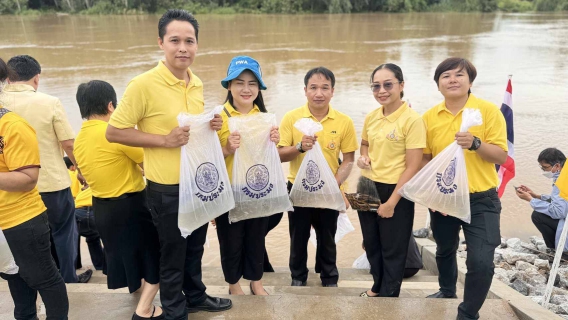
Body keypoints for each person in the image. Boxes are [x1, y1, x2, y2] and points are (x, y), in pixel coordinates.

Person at [105, 9, 231, 319]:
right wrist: (164, 140)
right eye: (175, 40)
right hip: (167, 189)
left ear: (197, 45)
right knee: (173, 253)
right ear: (161, 42)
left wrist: (209, 125)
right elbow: (114, 131)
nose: (183, 48)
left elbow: (190, 132)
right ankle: (175, 310)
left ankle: (196, 295)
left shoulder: (197, 82)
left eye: (189, 41)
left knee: (195, 247)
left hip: (197, 183)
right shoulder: (142, 84)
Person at [422, 58, 508, 320]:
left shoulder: (488, 111)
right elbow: (426, 159)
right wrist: (432, 196)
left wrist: (476, 143)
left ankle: (467, 314)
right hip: (445, 198)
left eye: (459, 75)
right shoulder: (429, 117)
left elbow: (501, 157)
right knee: (445, 247)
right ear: (438, 85)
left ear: (470, 81)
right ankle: (447, 289)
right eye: (445, 76)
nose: (453, 80)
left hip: (482, 199)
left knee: (481, 262)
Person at [74, 80, 163, 319]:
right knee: (154, 255)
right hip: (130, 206)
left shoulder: (79, 138)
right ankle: (144, 309)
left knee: (128, 257)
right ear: (111, 106)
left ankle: (139, 295)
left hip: (102, 207)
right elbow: (151, 165)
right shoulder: (114, 133)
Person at [2, 55, 91, 284]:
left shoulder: (2, 103)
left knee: (27, 238)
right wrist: (81, 171)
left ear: (9, 77)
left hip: (12, 188)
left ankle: (32, 279)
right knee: (63, 233)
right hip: (52, 184)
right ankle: (67, 279)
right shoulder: (49, 102)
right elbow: (68, 143)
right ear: (37, 78)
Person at [0, 57, 69, 320]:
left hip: (21, 218)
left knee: (44, 277)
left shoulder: (12, 125)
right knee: (14, 278)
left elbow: (28, 178)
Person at [278, 67, 358, 287]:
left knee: (327, 237)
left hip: (329, 189)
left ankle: (329, 277)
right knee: (298, 237)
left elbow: (349, 159)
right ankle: (298, 277)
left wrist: (336, 185)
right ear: (305, 91)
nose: (319, 93)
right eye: (313, 87)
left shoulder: (344, 121)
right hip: (298, 189)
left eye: (325, 88)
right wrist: (300, 147)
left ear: (332, 91)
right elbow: (279, 154)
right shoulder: (292, 118)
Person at [356, 63, 426, 297]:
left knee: (393, 247)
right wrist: (363, 158)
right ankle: (377, 285)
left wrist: (392, 202)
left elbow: (413, 165)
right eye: (376, 86)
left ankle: (389, 293)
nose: (381, 91)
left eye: (388, 84)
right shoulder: (372, 116)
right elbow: (365, 144)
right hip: (367, 184)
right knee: (371, 242)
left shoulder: (412, 120)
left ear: (401, 85)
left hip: (396, 189)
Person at [216, 55, 279, 296]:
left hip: (257, 189)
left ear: (259, 88)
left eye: (252, 83)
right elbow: (206, 162)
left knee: (256, 239)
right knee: (230, 241)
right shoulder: (217, 118)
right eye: (239, 82)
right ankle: (234, 285)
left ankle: (256, 282)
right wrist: (227, 149)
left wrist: (274, 141)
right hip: (228, 191)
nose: (246, 89)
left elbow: (268, 158)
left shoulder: (265, 118)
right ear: (228, 85)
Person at [516, 148, 568, 252]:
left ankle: (560, 250)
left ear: (557, 166)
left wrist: (530, 200)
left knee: (537, 215)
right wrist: (536, 196)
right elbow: (563, 199)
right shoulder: (564, 173)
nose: (544, 171)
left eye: (545, 168)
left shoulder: (561, 181)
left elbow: (559, 212)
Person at [74, 186, 106, 271]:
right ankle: (101, 267)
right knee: (97, 239)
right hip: (96, 211)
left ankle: (74, 266)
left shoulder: (82, 187)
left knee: (73, 239)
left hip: (78, 212)